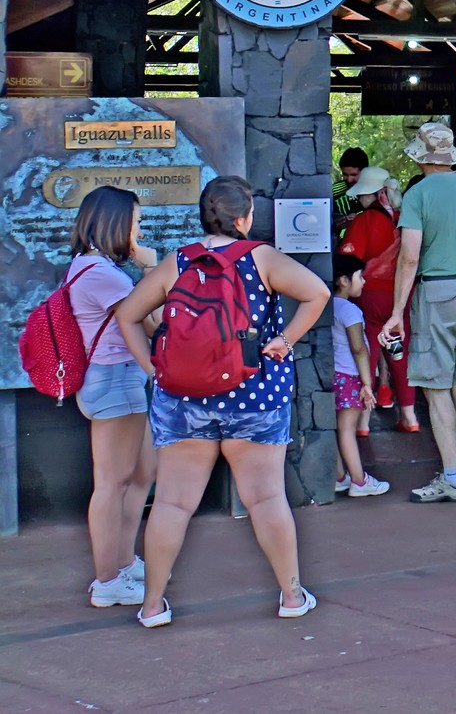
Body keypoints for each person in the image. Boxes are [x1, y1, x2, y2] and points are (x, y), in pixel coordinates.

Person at [112, 176, 330, 626]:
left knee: (172, 503)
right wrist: (283, 341)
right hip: (254, 393)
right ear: (244, 217)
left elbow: (128, 315)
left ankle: (152, 606)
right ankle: (291, 596)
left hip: (183, 398)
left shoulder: (179, 261)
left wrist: (155, 369)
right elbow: (318, 293)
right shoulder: (261, 258)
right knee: (266, 498)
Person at [378, 121, 456, 502]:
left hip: (436, 292)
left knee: (435, 386)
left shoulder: (418, 194)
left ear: (420, 154)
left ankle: (452, 476)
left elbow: (409, 256)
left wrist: (397, 311)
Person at [66, 186, 157, 607]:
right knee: (112, 484)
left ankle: (123, 562)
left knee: (139, 476)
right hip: (115, 379)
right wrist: (152, 268)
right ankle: (107, 581)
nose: (138, 230)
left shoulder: (93, 266)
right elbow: (152, 321)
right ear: (116, 223)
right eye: (135, 221)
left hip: (122, 378)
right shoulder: (102, 273)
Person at [339, 167, 418, 431]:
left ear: (372, 194)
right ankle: (410, 417)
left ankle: (363, 421)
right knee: (398, 355)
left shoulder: (363, 221)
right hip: (399, 298)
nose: (359, 199)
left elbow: (348, 259)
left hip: (370, 298)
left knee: (369, 354)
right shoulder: (404, 219)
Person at [329, 254, 389, 496]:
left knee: (333, 429)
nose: (363, 282)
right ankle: (359, 481)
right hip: (350, 375)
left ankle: (339, 476)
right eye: (360, 277)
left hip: (334, 374)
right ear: (343, 280)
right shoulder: (350, 310)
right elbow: (359, 348)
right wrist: (366, 382)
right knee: (347, 430)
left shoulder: (326, 304)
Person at [335, 146, 371, 225]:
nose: (349, 179)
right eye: (345, 175)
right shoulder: (333, 192)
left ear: (365, 172)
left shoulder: (376, 191)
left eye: (354, 175)